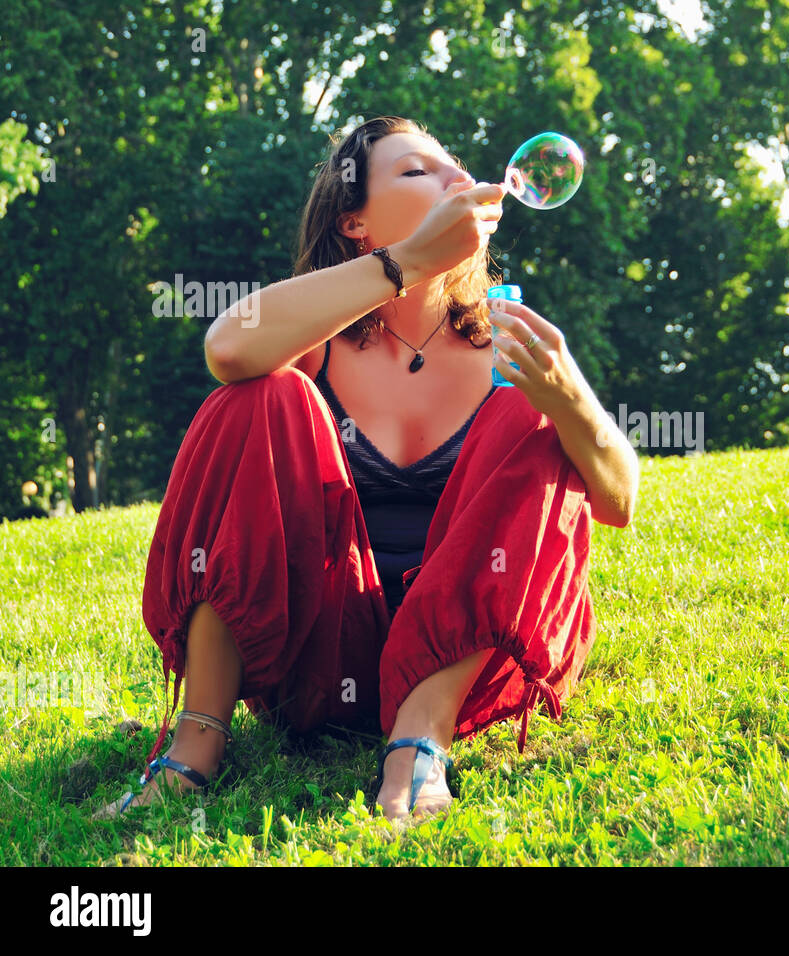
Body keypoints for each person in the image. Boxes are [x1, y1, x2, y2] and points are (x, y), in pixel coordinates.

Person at [95, 116, 639, 823]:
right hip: (323, 661)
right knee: (258, 395)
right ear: (355, 221)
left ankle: (418, 742)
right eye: (417, 171)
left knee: (531, 416)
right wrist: (407, 263)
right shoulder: (317, 342)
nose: (455, 179)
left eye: (455, 166)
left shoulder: (504, 338)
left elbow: (618, 501)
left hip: (465, 668)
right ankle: (194, 746)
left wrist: (571, 403)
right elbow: (228, 349)